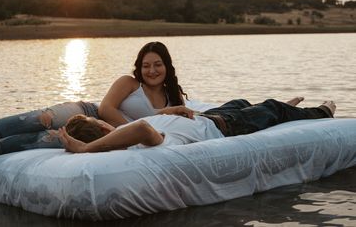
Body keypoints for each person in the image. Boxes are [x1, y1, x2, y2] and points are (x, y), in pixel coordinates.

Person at [0, 41, 191, 169]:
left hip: (98, 133)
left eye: (157, 65)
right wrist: (128, 127)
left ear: (167, 66)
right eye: (146, 65)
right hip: (87, 112)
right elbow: (107, 109)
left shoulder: (173, 99)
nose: (152, 70)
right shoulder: (129, 83)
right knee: (36, 120)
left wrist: (115, 132)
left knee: (47, 139)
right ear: (139, 67)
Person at [58, 98, 336, 153]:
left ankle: (278, 110)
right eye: (99, 121)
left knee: (241, 101)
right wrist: (86, 149)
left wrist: (167, 111)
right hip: (224, 126)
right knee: (273, 107)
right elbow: (143, 128)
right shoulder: (130, 141)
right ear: (103, 129)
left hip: (208, 116)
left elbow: (152, 122)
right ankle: (322, 111)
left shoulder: (119, 135)